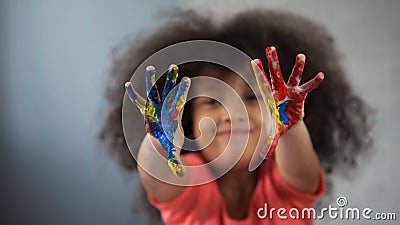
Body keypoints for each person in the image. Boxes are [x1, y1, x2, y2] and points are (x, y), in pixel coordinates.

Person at [99, 9, 373, 225]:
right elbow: (158, 176)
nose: (233, 113)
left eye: (252, 97)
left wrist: (291, 127)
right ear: (186, 120)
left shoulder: (284, 179)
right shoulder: (191, 178)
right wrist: (158, 141)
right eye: (213, 100)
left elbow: (300, 163)